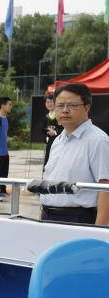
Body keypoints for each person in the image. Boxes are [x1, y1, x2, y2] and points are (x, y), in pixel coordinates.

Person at [40, 83, 109, 225]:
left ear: (86, 107)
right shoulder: (58, 141)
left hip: (78, 218)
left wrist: (99, 231)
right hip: (48, 215)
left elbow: (106, 187)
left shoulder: (98, 141)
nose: (65, 110)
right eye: (60, 105)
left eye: (72, 105)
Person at [43, 94, 61, 166]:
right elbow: (43, 129)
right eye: (47, 102)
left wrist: (55, 132)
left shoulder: (60, 115)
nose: (49, 104)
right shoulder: (46, 116)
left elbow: (64, 129)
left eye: (51, 102)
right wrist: (46, 136)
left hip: (59, 142)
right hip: (49, 142)